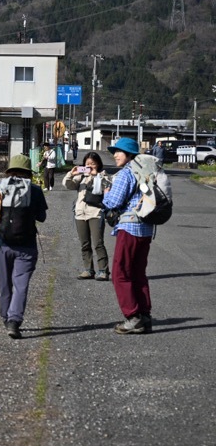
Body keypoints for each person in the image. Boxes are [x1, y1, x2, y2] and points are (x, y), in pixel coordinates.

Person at [0, 153, 48, 339]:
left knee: (4, 283)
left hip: (2, 244)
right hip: (26, 245)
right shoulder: (35, 190)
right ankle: (14, 321)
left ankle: (5, 316)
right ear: (29, 172)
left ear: (9, 171)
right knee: (20, 284)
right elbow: (42, 217)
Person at [102, 137, 155, 335]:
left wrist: (106, 193)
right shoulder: (148, 171)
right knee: (138, 273)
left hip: (129, 227)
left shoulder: (126, 172)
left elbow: (113, 202)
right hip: (146, 228)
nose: (115, 155)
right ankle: (145, 315)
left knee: (120, 273)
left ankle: (133, 317)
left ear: (129, 154)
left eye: (118, 151)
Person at [61, 151, 110, 281]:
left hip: (96, 213)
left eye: (93, 163)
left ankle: (103, 270)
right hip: (80, 213)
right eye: (87, 164)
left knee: (98, 243)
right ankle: (88, 269)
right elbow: (67, 185)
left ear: (98, 164)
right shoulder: (81, 177)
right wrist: (71, 173)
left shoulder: (103, 176)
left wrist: (96, 175)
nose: (90, 166)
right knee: (84, 243)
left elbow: (107, 187)